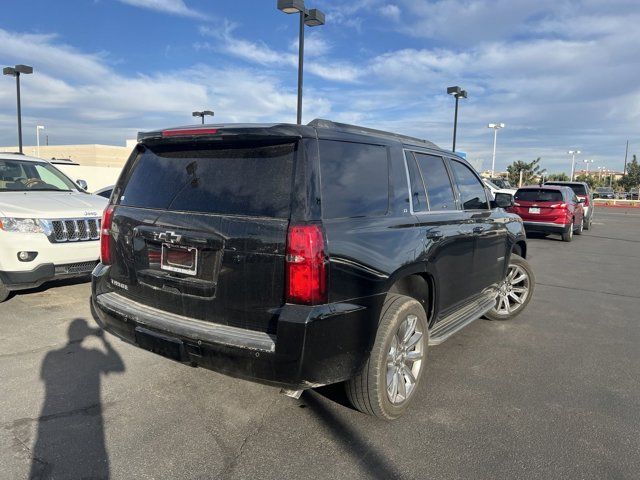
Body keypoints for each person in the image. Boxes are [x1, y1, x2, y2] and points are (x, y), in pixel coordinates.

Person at [30, 319, 124, 479]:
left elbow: (45, 378)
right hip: (84, 422)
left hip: (47, 413)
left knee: (45, 449)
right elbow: (119, 367)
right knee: (93, 453)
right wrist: (104, 340)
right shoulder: (94, 353)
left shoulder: (50, 356)